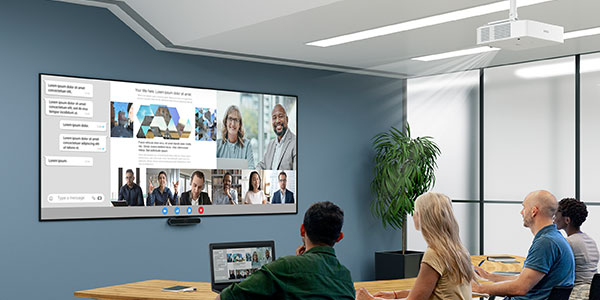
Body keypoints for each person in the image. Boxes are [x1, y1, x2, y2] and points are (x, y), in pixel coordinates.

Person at [217, 201, 355, 300]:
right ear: (339, 238)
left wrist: (298, 262)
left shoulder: (286, 267)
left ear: (302, 230)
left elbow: (224, 298)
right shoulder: (346, 278)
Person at [356, 192, 474, 300]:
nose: (413, 216)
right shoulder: (459, 250)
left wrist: (370, 299)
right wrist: (395, 294)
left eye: (416, 212)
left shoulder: (435, 253)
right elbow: (430, 291)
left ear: (425, 218)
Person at [472, 190, 574, 300]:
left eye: (524, 207)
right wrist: (491, 277)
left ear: (534, 211)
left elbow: (520, 288)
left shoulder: (546, 243)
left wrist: (480, 288)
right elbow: (523, 279)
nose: (521, 212)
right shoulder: (554, 238)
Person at [554, 198, 599, 300]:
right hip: (593, 291)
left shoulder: (568, 242)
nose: (554, 219)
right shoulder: (590, 240)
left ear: (567, 220)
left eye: (556, 215)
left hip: (577, 293)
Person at [256, 104, 296, 170]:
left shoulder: (295, 143)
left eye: (280, 116)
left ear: (287, 119)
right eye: (274, 118)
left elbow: (296, 175)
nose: (277, 121)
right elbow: (262, 165)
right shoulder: (271, 144)